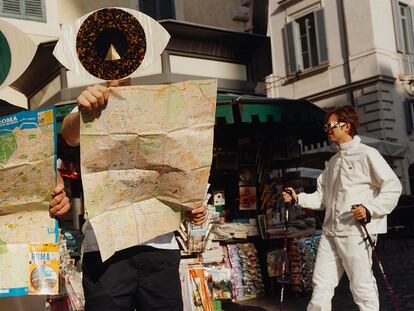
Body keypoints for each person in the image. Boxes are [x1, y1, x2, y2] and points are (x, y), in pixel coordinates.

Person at [51, 80, 207, 311]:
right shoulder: (94, 101)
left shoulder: (161, 102)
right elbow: (69, 134)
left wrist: (190, 205)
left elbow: (178, 164)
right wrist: (84, 109)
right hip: (104, 249)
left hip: (160, 247)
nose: (117, 64)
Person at [282, 105, 402, 311]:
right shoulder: (333, 162)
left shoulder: (367, 154)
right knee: (320, 284)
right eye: (325, 125)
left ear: (346, 127)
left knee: (361, 285)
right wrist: (297, 199)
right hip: (331, 232)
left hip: (356, 232)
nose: (327, 129)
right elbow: (322, 198)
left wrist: (369, 209)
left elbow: (393, 186)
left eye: (331, 125)